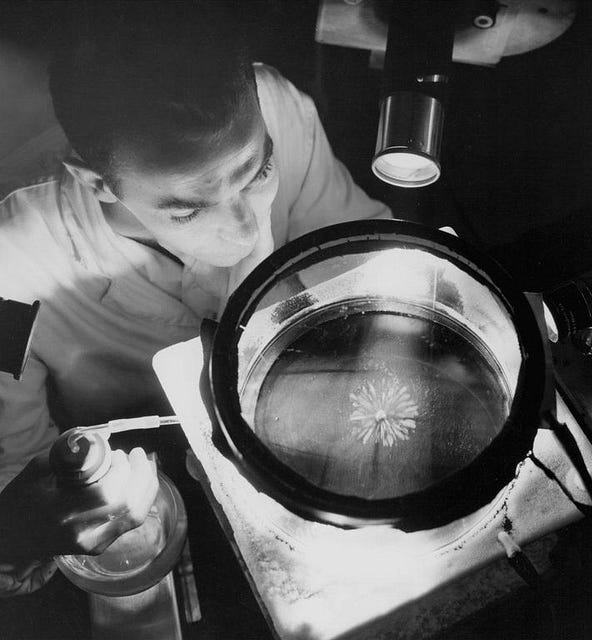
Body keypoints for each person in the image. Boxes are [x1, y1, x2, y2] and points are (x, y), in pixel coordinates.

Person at [0, 5, 390, 596]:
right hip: (150, 469)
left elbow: (365, 255)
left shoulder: (276, 106)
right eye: (187, 209)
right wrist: (27, 526)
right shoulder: (11, 264)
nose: (242, 231)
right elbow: (16, 469)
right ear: (97, 182)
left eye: (257, 174)